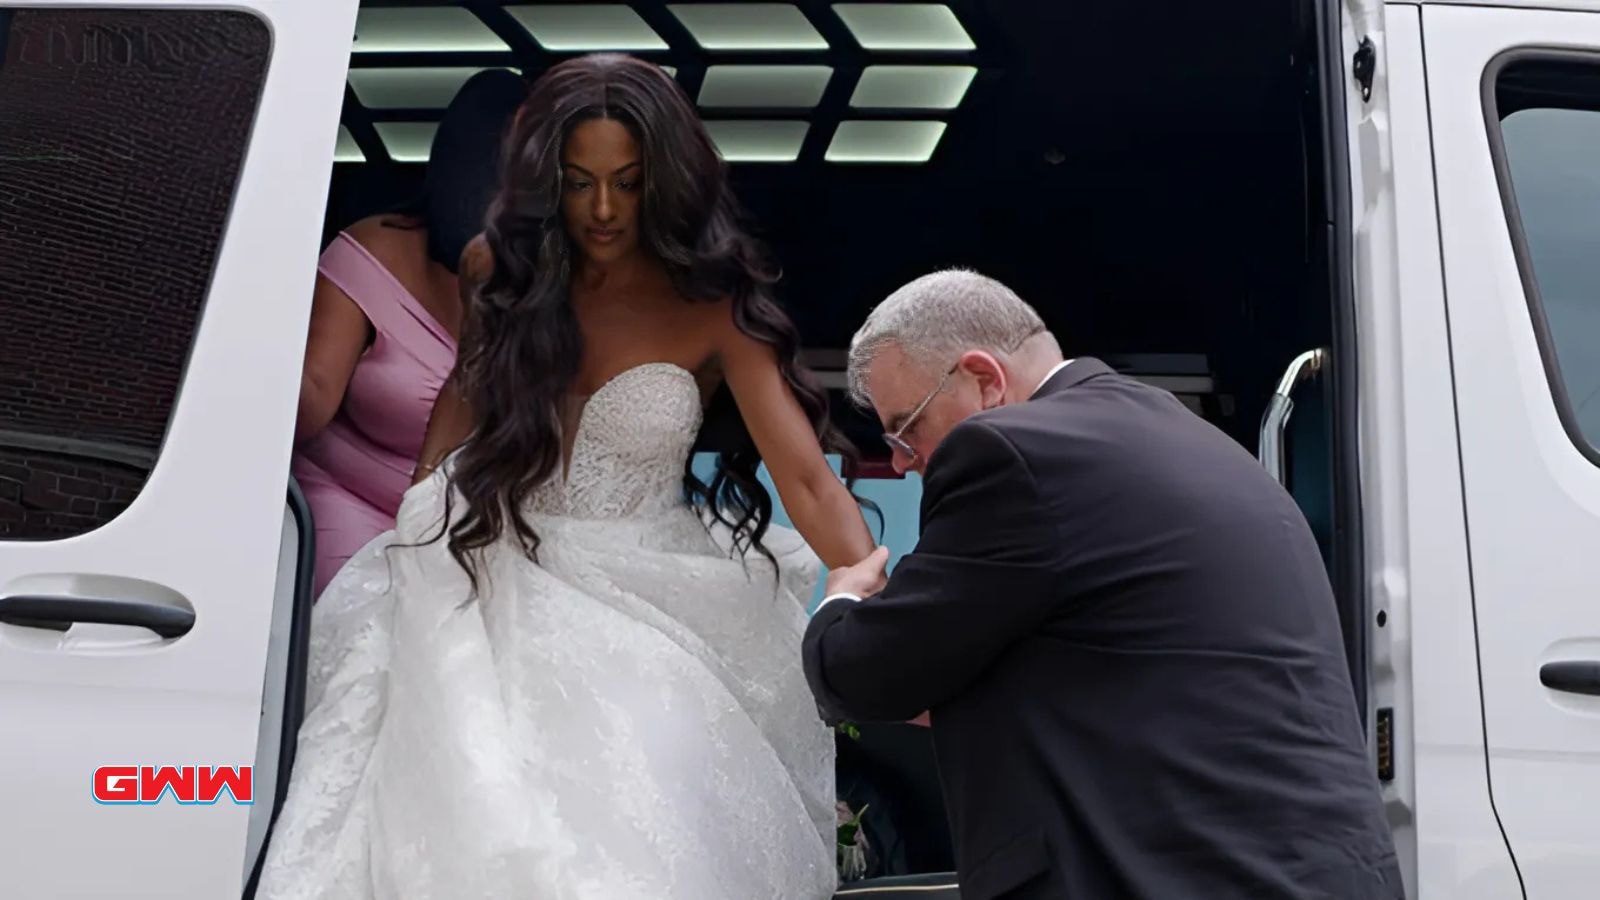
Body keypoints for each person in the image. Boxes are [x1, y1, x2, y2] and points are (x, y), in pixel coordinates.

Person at [256, 54, 878, 899]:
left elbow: (803, 478)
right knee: (440, 790)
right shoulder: (498, 267)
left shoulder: (713, 301)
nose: (604, 209)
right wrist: (422, 505)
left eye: (628, 182)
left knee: (645, 818)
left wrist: (868, 582)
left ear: (666, 179)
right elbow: (464, 396)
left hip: (654, 591)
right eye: (579, 182)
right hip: (490, 559)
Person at [802, 269, 1405, 899]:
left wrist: (841, 600)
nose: (899, 459)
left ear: (983, 383)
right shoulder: (1204, 449)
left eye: (906, 428)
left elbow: (868, 672)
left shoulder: (1012, 454)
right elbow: (1118, 675)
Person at [291, 69, 526, 596]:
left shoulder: (550, 288)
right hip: (346, 505)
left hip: (468, 530)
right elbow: (305, 410)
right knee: (366, 624)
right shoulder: (370, 252)